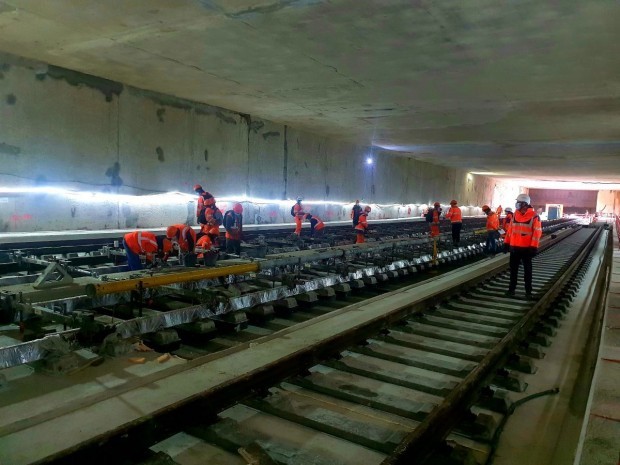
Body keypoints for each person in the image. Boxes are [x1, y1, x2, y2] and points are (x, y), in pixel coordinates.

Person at [505, 194, 542, 299]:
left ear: (525, 204)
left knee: (527, 271)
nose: (516, 204)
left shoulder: (534, 216)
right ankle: (511, 290)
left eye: (519, 202)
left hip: (526, 249)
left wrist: (533, 247)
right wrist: (506, 242)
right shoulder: (514, 215)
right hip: (514, 248)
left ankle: (528, 292)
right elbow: (510, 230)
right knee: (513, 271)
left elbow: (537, 233)